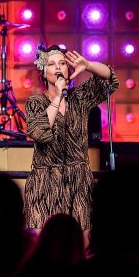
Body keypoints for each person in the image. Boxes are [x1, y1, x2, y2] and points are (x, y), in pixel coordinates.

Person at [23, 45, 118, 231]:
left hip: (78, 179)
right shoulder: (35, 102)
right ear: (43, 73)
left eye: (62, 63)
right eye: (51, 64)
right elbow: (40, 133)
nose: (58, 67)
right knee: (43, 238)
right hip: (46, 181)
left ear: (68, 70)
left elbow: (110, 79)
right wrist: (58, 97)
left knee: (81, 238)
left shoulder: (79, 98)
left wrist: (88, 65)